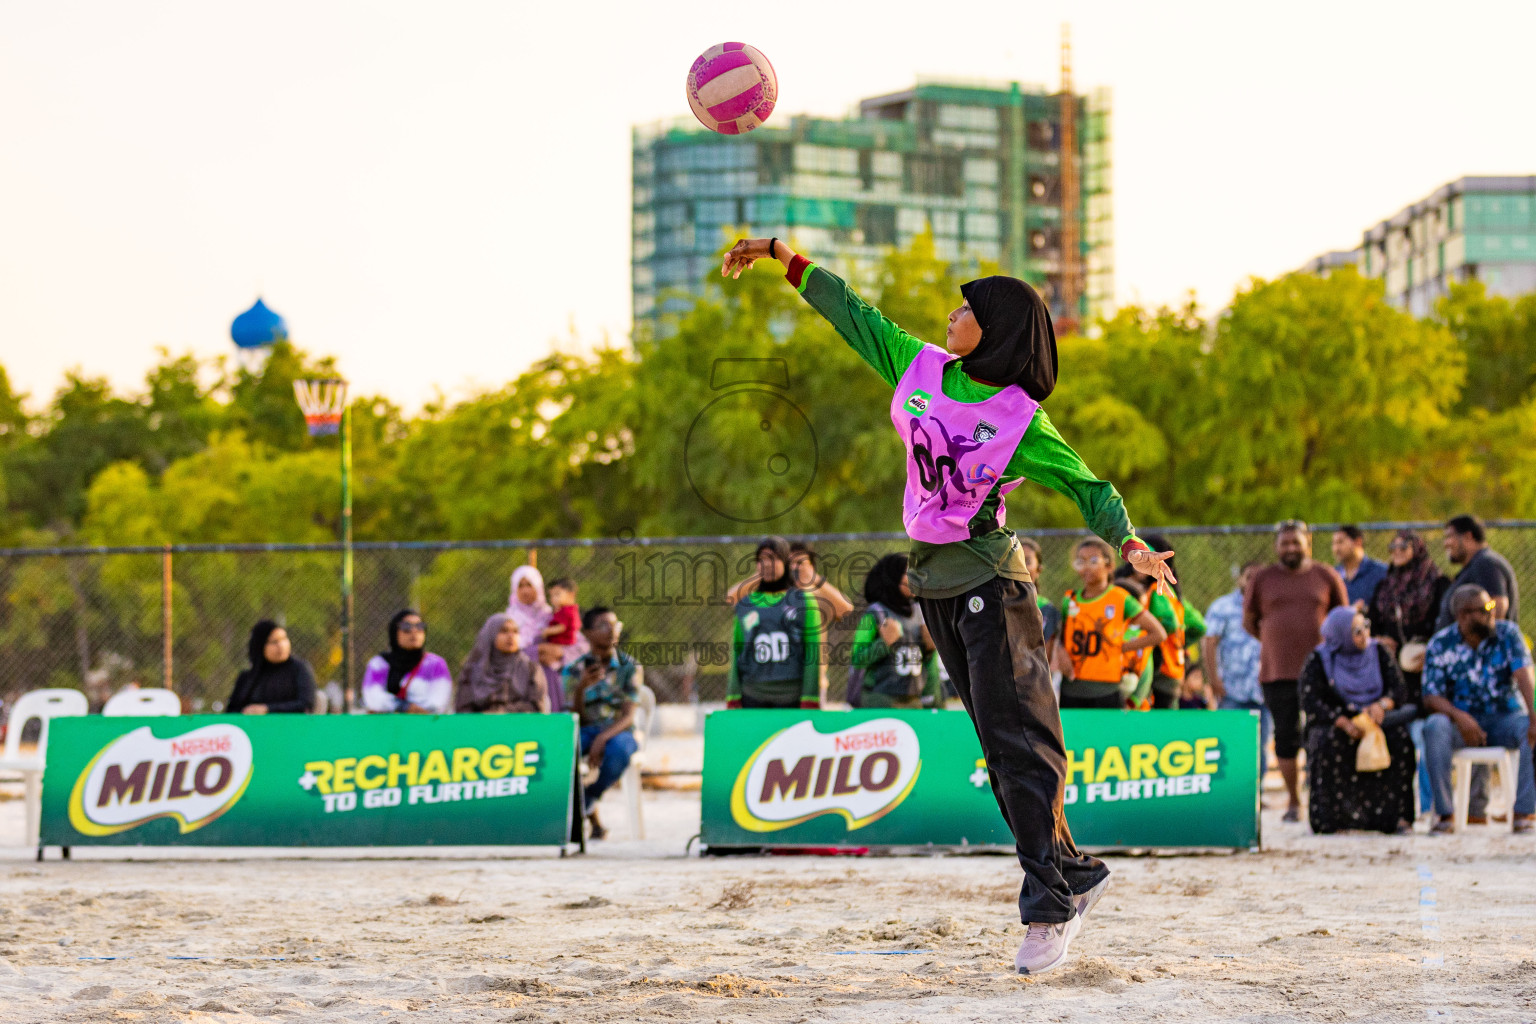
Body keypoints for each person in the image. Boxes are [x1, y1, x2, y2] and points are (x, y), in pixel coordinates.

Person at [724, 237, 1178, 975]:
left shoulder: (1019, 416)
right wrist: (783, 255)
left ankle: (1050, 904)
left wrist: (1129, 543)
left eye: (966, 310)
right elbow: (855, 315)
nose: (951, 315)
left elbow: (1087, 486)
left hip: (992, 585)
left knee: (1019, 743)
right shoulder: (923, 368)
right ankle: (1075, 870)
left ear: (995, 330)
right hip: (933, 582)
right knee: (999, 750)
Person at [1244, 520, 1349, 822]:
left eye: (1296, 542)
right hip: (1277, 672)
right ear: (1276, 546)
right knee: (1286, 737)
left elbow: (1343, 619)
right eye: (1285, 543)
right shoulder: (1263, 578)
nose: (1290, 548)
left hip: (1322, 671)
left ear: (1308, 543)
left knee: (1323, 733)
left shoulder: (1326, 575)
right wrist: (1275, 642)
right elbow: (1249, 622)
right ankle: (1293, 801)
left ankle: (1324, 797)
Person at [1421, 585, 1536, 834]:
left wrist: (1534, 716)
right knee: (1434, 727)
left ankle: (1524, 813)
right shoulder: (1441, 644)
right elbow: (1430, 696)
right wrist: (1459, 717)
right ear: (1463, 615)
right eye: (1485, 609)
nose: (1492, 612)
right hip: (1461, 723)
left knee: (1531, 727)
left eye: (1491, 606)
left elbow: (1525, 676)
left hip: (1504, 719)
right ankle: (1445, 814)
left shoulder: (1507, 634)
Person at [1298, 607, 1416, 834]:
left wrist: (1382, 705)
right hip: (1338, 720)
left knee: (1399, 739)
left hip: (1376, 718)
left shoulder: (1378, 651)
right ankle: (1334, 821)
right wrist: (1341, 721)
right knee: (1327, 740)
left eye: (1365, 626)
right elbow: (1310, 700)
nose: (1364, 634)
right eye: (1356, 631)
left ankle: (1395, 819)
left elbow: (1399, 690)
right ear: (1340, 634)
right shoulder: (1320, 659)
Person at [1369, 530, 1451, 815]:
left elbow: (1447, 624)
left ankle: (1431, 806)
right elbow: (1371, 624)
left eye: (1403, 546)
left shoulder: (1438, 583)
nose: (1396, 550)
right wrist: (1380, 640)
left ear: (1417, 548)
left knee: (1428, 737)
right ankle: (1399, 809)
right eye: (1392, 546)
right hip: (1394, 676)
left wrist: (1430, 648)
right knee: (1398, 739)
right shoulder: (1385, 586)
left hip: (1427, 672)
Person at [1054, 539, 1166, 710]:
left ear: (1109, 565)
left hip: (1106, 691)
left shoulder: (1119, 598)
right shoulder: (1070, 600)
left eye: (1093, 561)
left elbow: (1158, 633)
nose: (1086, 567)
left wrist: (1121, 647)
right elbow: (1060, 638)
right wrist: (1060, 652)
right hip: (1072, 690)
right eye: (1081, 561)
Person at [562, 607, 642, 840]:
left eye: (615, 625)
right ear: (587, 633)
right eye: (603, 625)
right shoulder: (573, 670)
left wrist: (602, 737)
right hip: (585, 729)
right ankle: (571, 813)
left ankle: (587, 798)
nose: (612, 631)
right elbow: (575, 718)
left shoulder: (630, 668)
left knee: (621, 750)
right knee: (564, 751)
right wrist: (581, 688)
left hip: (618, 731)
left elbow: (628, 716)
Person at [726, 536, 824, 709]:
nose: (766, 564)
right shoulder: (745, 605)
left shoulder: (803, 601)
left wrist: (810, 697)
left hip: (791, 696)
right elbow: (737, 651)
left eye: (773, 558)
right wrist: (733, 694)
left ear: (785, 562)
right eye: (761, 559)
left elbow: (813, 651)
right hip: (753, 695)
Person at [1203, 562, 1272, 779]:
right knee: (1229, 747)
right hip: (1231, 691)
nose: (1253, 582)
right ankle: (1231, 793)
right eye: (1249, 577)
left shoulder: (1272, 607)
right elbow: (1209, 642)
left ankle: (1257, 794)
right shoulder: (1222, 607)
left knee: (1260, 750)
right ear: (1240, 579)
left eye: (1259, 577)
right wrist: (1214, 680)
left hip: (1263, 692)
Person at [847, 553, 942, 709]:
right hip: (879, 700)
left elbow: (927, 666)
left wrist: (930, 649)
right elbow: (857, 659)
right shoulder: (876, 613)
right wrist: (884, 643)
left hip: (913, 700)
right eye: (908, 573)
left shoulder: (920, 613)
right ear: (893, 577)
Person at [1123, 534, 1205, 711]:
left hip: (1158, 666)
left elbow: (1169, 623)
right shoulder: (1177, 596)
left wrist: (1152, 637)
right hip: (1174, 667)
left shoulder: (1156, 591)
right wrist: (1180, 644)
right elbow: (1198, 625)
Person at [1435, 515, 1519, 631]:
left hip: (1482, 642)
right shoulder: (1474, 565)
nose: (1446, 543)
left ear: (1468, 536)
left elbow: (1497, 603)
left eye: (1449, 536)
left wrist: (1481, 610)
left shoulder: (1485, 563)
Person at [360, 610, 453, 714]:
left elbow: (437, 703)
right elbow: (372, 699)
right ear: (394, 632)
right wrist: (404, 707)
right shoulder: (379, 663)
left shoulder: (436, 664)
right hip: (387, 724)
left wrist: (390, 706)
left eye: (420, 626)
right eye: (406, 627)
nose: (414, 631)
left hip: (424, 723)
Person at [456, 612, 549, 714]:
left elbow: (536, 707)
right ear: (490, 634)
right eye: (504, 631)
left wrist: (501, 713)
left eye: (515, 632)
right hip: (480, 723)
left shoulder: (531, 669)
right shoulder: (472, 670)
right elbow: (463, 710)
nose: (511, 636)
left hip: (519, 723)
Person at [227, 621, 317, 715]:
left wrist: (267, 709)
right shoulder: (248, 677)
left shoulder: (299, 669)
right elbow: (232, 710)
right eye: (274, 642)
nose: (281, 645)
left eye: (284, 639)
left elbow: (306, 704)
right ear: (261, 646)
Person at [509, 564, 564, 713]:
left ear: (538, 587)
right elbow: (505, 654)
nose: (525, 590)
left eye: (529, 585)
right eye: (520, 586)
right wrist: (537, 651)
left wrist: (559, 652)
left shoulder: (551, 616)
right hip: (520, 679)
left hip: (550, 679)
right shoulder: (509, 620)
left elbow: (569, 646)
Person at [1018, 537, 1063, 650]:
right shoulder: (998, 605)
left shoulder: (1047, 610)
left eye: (1027, 561)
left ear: (1039, 569)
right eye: (1016, 561)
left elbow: (1047, 653)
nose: (1021, 567)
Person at [1332, 524, 1389, 612]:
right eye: (1334, 543)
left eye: (1341, 542)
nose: (1336, 548)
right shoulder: (1333, 575)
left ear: (1358, 542)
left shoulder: (1380, 572)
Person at [541, 577, 582, 650]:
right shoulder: (570, 609)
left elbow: (562, 627)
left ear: (571, 595)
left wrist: (547, 631)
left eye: (557, 594)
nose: (553, 598)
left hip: (562, 644)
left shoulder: (566, 610)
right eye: (551, 595)